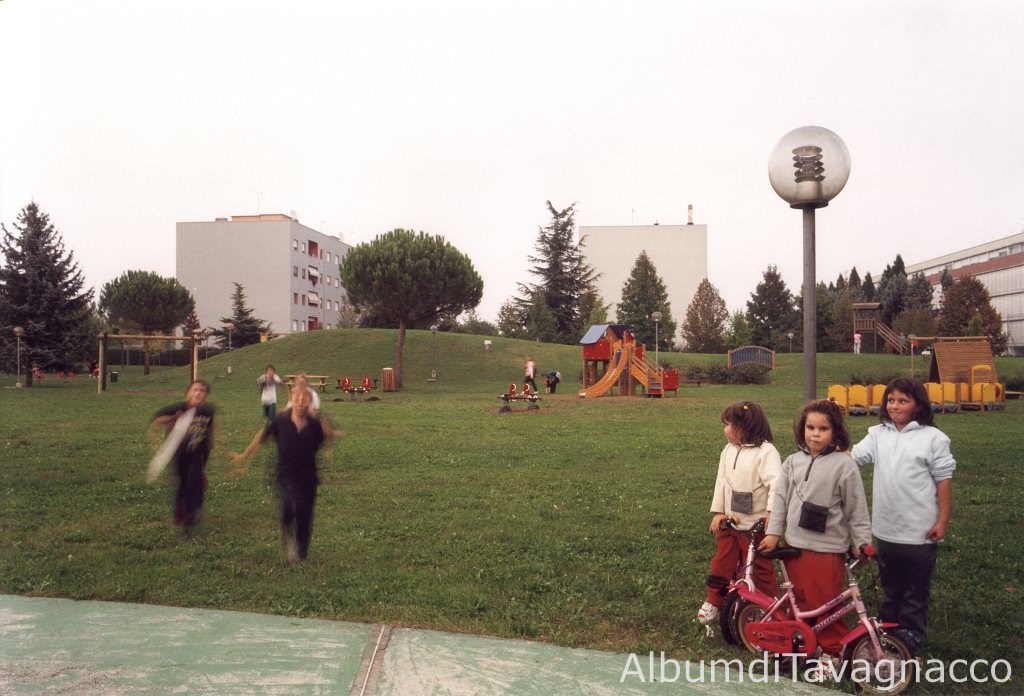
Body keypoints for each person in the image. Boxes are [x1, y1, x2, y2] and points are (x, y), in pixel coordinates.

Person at [761, 399, 871, 668]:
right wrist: (774, 533)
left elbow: (856, 507)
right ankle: (800, 647)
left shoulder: (844, 466)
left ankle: (832, 653)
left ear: (836, 432)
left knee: (826, 605)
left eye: (823, 429)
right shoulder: (792, 462)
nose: (815, 434)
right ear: (802, 429)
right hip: (795, 547)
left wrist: (862, 542)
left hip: (827, 550)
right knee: (798, 601)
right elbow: (780, 500)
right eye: (810, 428)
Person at [851, 377, 955, 653]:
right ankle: (888, 634)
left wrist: (942, 521)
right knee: (891, 587)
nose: (895, 406)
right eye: (891, 400)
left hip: (920, 533)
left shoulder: (934, 439)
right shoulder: (878, 434)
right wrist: (828, 448)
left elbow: (943, 481)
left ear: (918, 405)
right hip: (886, 530)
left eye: (903, 401)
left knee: (915, 591)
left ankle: (911, 638)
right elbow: (853, 458)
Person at [230, 383, 335, 563]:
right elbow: (262, 436)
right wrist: (244, 456)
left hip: (308, 476)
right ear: (291, 399)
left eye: (304, 399)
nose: (300, 402)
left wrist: (328, 435)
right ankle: (288, 535)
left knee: (305, 513)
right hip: (285, 473)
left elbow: (326, 439)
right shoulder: (281, 420)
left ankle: (301, 549)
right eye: (297, 398)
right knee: (289, 503)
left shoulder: (315, 424)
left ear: (310, 402)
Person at [699, 401, 782, 625]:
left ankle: (767, 606)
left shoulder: (766, 452)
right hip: (730, 523)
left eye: (729, 425)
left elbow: (777, 485)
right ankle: (715, 600)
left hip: (756, 526)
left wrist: (772, 513)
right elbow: (721, 481)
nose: (725, 430)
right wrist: (718, 512)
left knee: (759, 567)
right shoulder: (728, 450)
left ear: (745, 427)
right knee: (722, 563)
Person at [150, 380, 216, 529]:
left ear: (206, 395)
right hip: (179, 453)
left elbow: (210, 426)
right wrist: (173, 417)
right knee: (182, 483)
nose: (198, 393)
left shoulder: (208, 410)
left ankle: (190, 515)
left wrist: (213, 442)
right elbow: (158, 419)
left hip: (198, 452)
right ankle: (180, 513)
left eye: (202, 391)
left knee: (193, 480)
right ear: (188, 393)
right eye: (195, 390)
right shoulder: (179, 407)